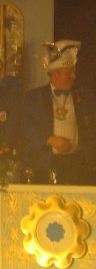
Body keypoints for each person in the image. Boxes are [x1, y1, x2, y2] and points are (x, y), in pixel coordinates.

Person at [21, 40, 96, 185]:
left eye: (74, 72)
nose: (74, 76)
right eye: (69, 73)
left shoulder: (85, 95)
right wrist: (50, 139)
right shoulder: (34, 98)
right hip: (46, 165)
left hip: (78, 164)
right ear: (55, 75)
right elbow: (25, 129)